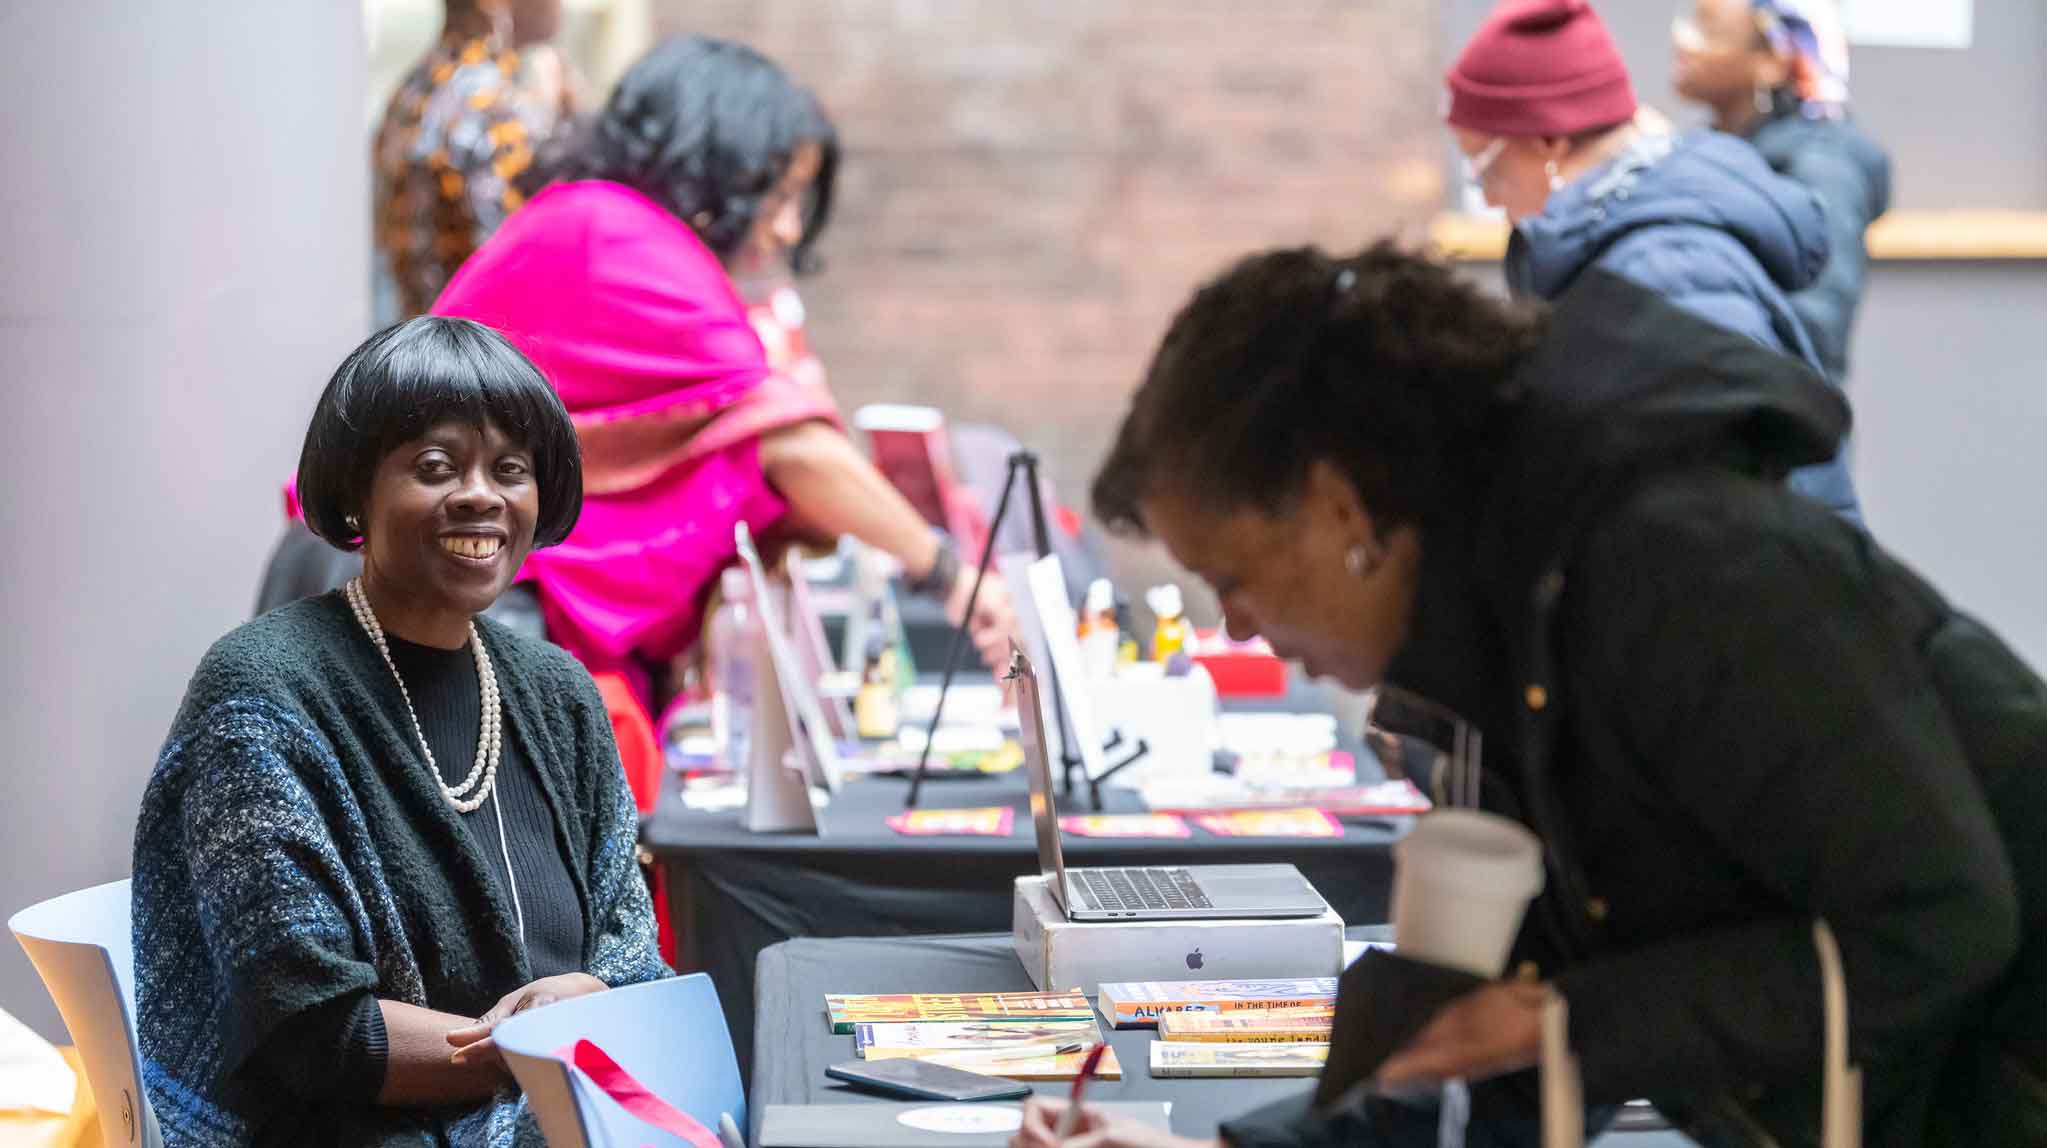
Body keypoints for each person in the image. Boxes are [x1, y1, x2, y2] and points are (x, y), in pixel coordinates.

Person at [1011, 244, 2047, 1147]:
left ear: (1339, 507)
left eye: (1232, 578)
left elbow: (1939, 916)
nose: (1235, 627)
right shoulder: (1492, 618)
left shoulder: (1680, 566)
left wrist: (1569, 1020)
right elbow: (1481, 1029)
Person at [134, 317, 669, 1146]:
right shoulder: (262, 690)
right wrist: (534, 1046)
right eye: (435, 467)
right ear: (356, 490)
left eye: (511, 470)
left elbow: (630, 957)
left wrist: (584, 1021)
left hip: (573, 1114)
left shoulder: (558, 691)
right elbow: (308, 1029)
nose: (480, 495)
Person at [434, 36, 1014, 697]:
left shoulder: (591, 222)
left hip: (468, 593)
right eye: (781, 192)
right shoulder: (617, 237)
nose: (790, 228)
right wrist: (954, 579)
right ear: (719, 160)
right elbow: (788, 444)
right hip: (468, 607)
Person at [1445, 0, 1862, 525]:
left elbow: (1720, 530)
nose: (1491, 199)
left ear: (1549, 140)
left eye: (1485, 170)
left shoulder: (1672, 271)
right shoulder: (1626, 245)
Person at [1674, 0, 1893, 388]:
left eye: (1708, 31)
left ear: (1773, 61)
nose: (1682, 39)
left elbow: (1812, 329)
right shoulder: (1721, 151)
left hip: (1778, 432)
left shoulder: (1822, 167)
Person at [374, 0, 581, 323]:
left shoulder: (414, 87)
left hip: (422, 345)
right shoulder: (491, 103)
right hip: (486, 351)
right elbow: (537, 253)